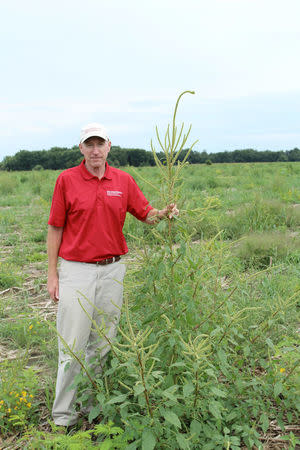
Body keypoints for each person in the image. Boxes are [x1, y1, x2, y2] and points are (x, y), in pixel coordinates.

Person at [47, 123, 178, 427]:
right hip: (76, 271)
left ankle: (91, 408)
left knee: (103, 343)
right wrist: (52, 275)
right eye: (88, 144)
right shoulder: (66, 181)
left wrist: (164, 213)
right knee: (72, 344)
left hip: (112, 270)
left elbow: (146, 214)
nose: (95, 150)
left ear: (109, 146)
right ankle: (64, 418)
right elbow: (55, 227)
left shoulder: (123, 180)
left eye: (99, 144)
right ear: (81, 149)